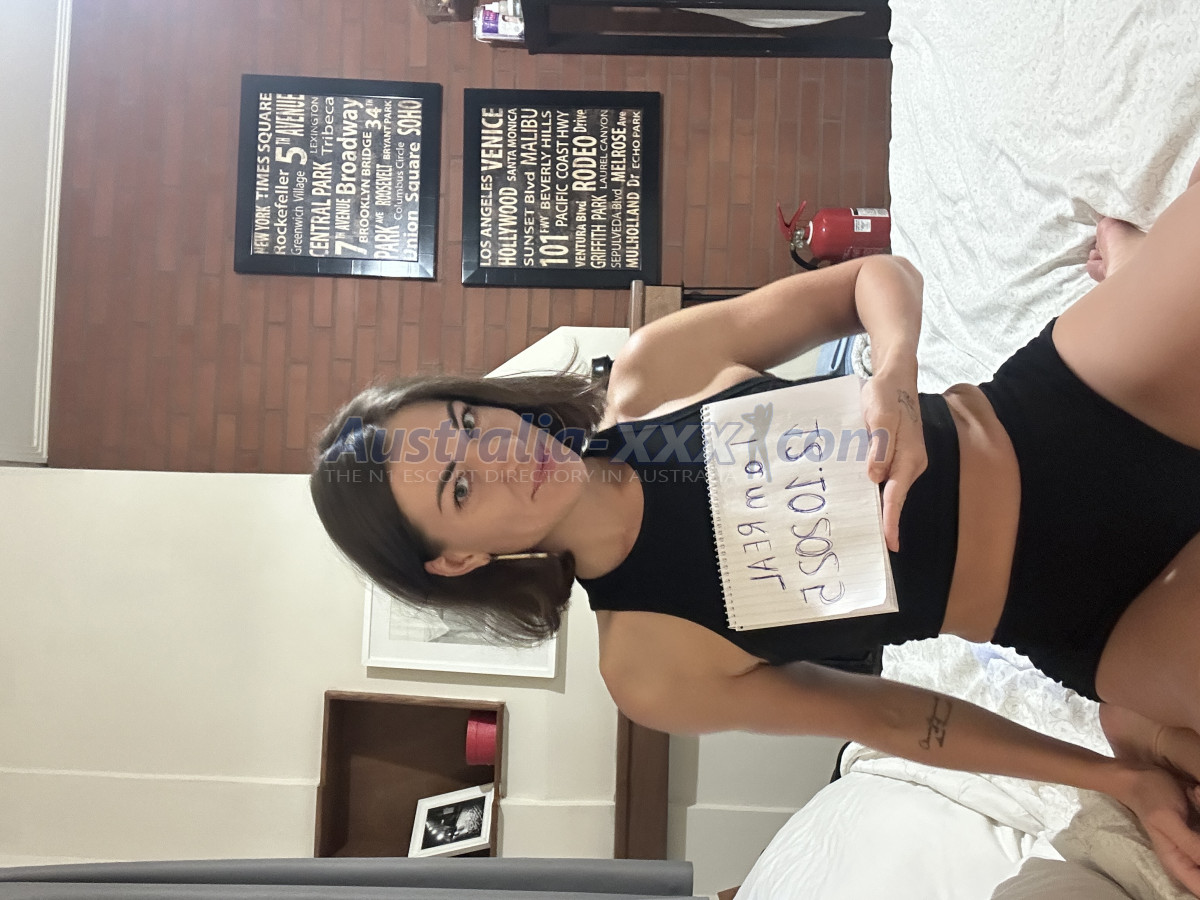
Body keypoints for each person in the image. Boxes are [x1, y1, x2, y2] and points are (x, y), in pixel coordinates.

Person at [311, 159, 1200, 894]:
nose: (502, 453)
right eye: (463, 488)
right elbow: (896, 718)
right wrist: (1117, 778)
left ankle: (1130, 270)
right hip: (1089, 613)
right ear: (459, 559)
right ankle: (1136, 727)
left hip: (1071, 410)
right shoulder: (648, 665)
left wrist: (893, 372)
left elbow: (874, 279)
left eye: (468, 424)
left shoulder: (656, 374)